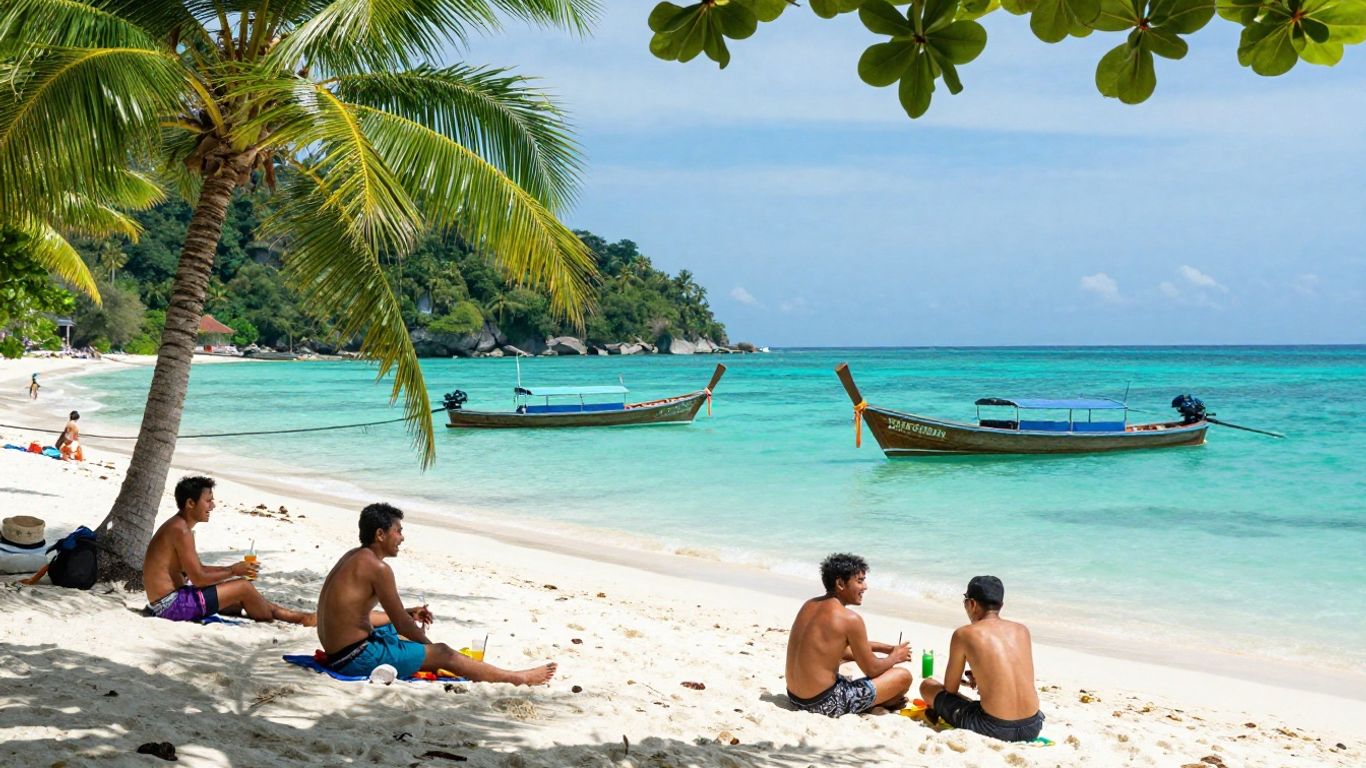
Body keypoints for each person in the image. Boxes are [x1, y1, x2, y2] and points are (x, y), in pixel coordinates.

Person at [315, 502, 556, 685]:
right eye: (398, 531)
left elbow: (355, 613)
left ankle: (424, 655)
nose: (402, 537)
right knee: (444, 653)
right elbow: (402, 625)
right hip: (356, 659)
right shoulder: (379, 568)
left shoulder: (353, 557)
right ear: (380, 534)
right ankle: (518, 678)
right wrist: (434, 650)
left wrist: (409, 613)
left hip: (339, 653)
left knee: (388, 629)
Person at [143, 475, 314, 625]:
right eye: (208, 501)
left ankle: (295, 617)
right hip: (170, 606)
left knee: (241, 599)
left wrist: (234, 569)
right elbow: (200, 579)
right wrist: (233, 571)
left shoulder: (178, 526)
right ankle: (274, 619)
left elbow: (197, 571)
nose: (213, 506)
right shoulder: (181, 531)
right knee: (244, 588)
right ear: (190, 503)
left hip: (166, 602)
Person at [784, 552, 912, 717]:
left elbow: (839, 647)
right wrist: (895, 657)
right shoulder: (850, 618)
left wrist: (888, 649)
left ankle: (879, 700)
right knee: (903, 676)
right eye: (860, 581)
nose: (865, 587)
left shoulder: (809, 605)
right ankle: (877, 702)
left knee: (842, 654)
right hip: (823, 704)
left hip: (795, 698)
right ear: (840, 583)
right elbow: (872, 670)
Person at [918, 576, 1044, 742]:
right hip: (1033, 725)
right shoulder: (1022, 630)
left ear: (972, 604)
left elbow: (950, 689)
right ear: (1001, 605)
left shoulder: (964, 634)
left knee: (928, 686)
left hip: (995, 728)